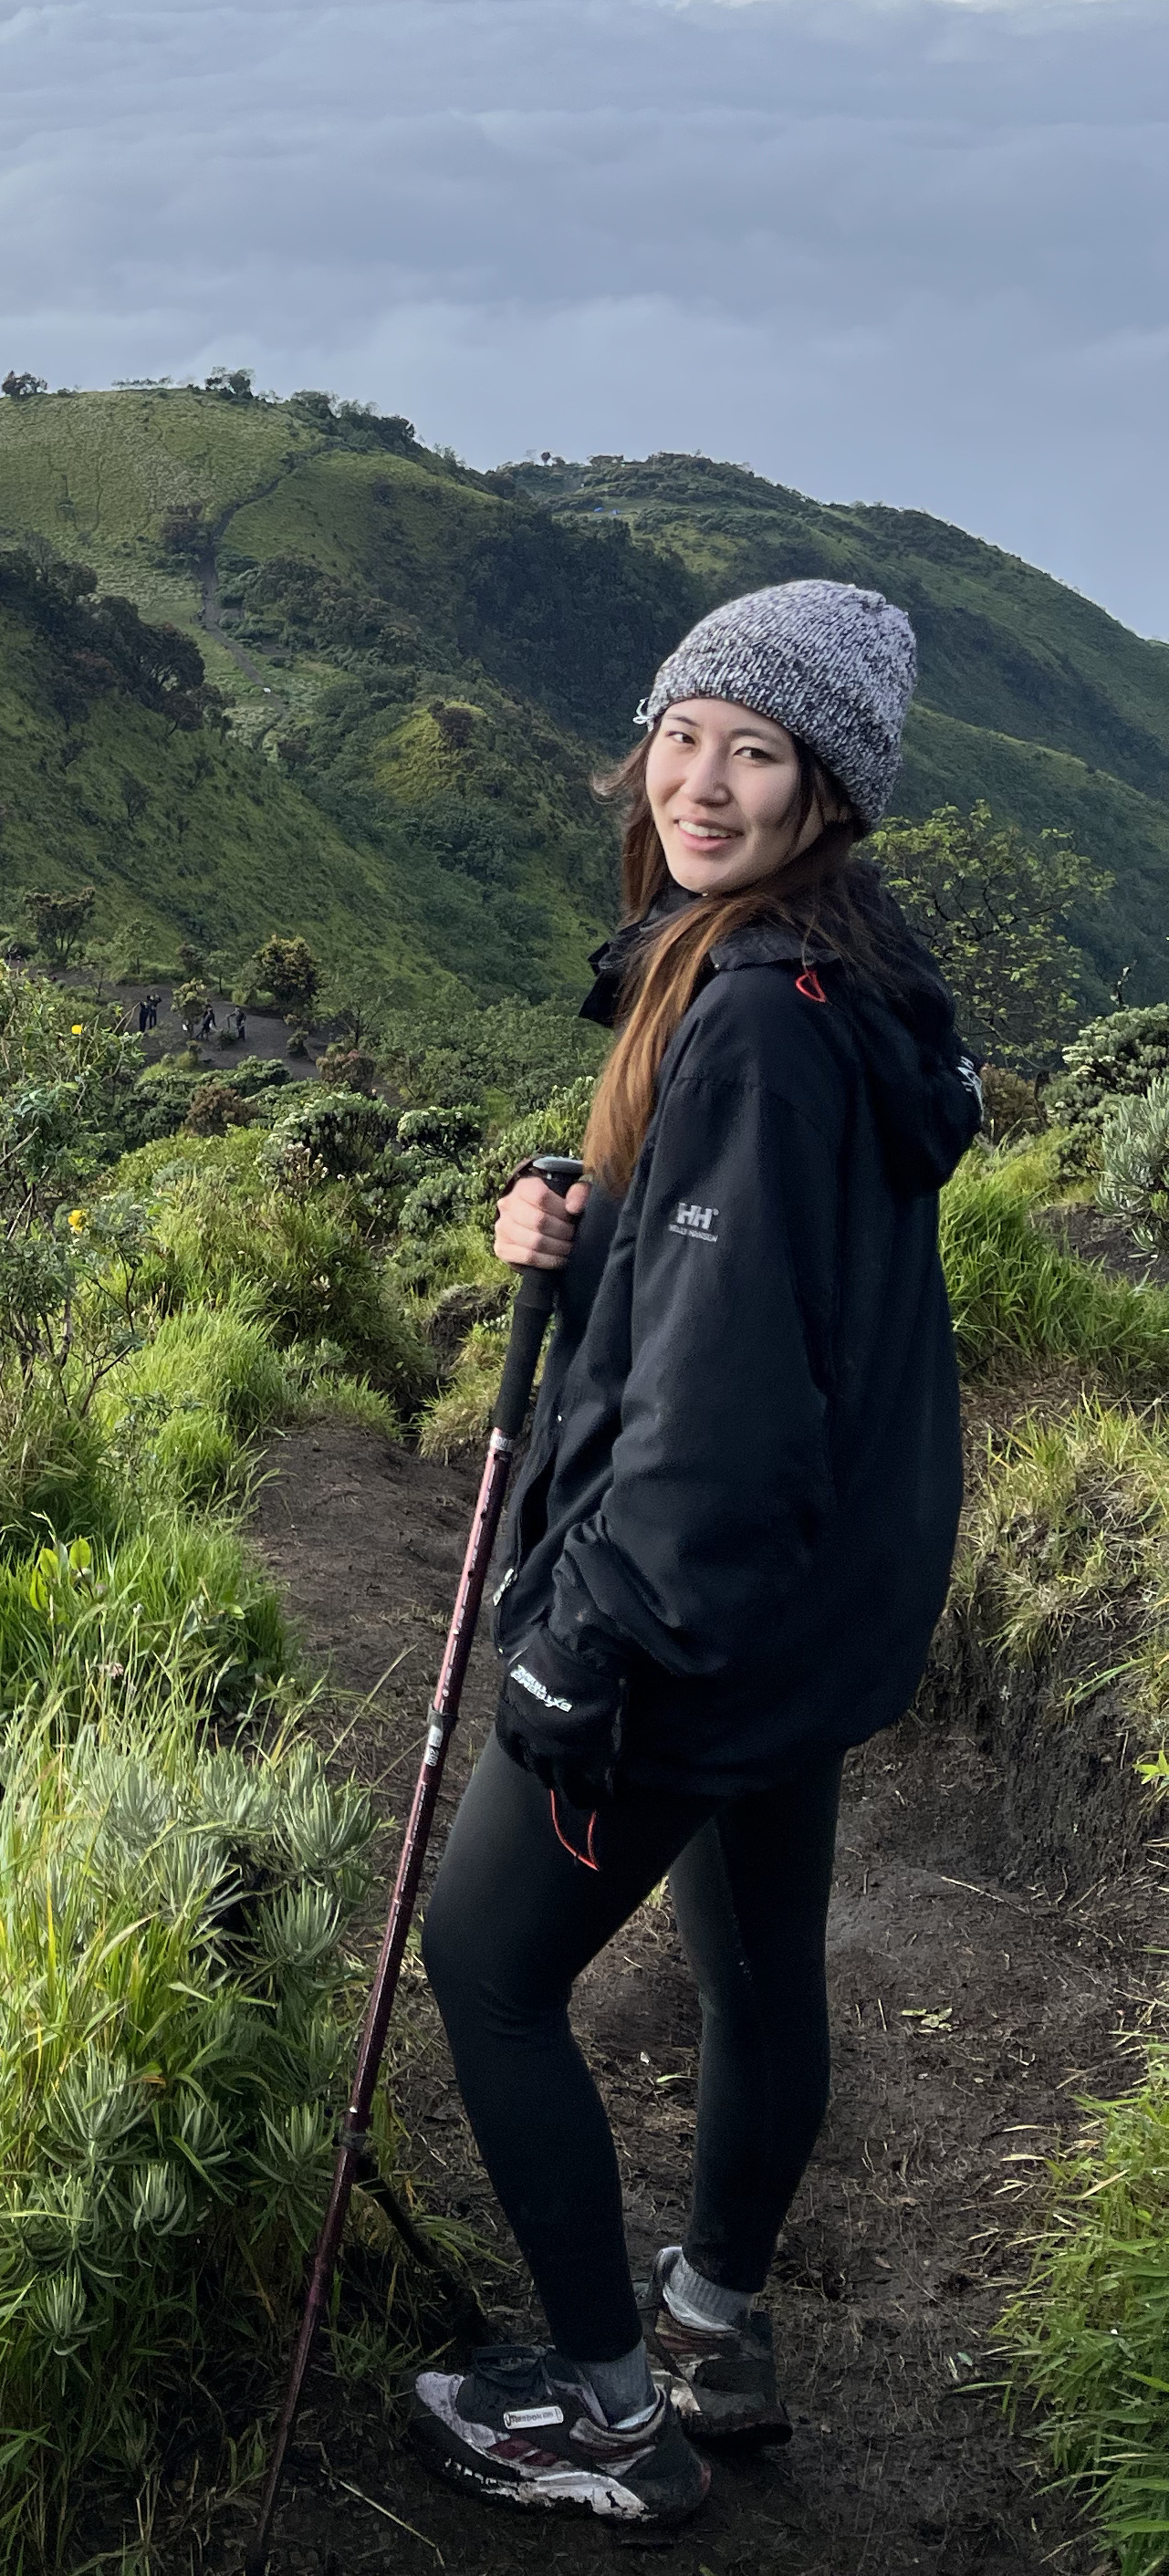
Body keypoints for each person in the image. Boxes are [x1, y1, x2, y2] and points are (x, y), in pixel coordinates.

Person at [407, 579, 984, 2528]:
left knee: (481, 1967)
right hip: (821, 1601)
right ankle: (717, 2329)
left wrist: (588, 1649)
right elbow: (758, 1274)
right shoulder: (843, 979)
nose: (703, 782)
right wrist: (598, 1220)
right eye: (684, 735)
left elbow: (724, 1412)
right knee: (759, 1969)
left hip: (705, 1612)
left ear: (831, 790)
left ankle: (608, 2417)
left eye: (758, 751)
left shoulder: (747, 1018)